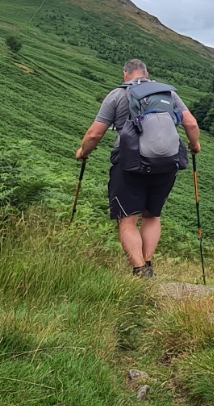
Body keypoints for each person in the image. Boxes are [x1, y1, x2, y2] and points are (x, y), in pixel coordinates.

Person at [77, 59, 201, 278]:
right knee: (152, 215)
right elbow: (190, 124)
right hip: (165, 163)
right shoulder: (168, 94)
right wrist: (194, 146)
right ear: (147, 74)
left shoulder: (117, 95)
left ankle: (139, 269)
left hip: (129, 164)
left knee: (128, 218)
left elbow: (95, 134)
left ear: (125, 75)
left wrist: (83, 153)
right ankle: (149, 263)